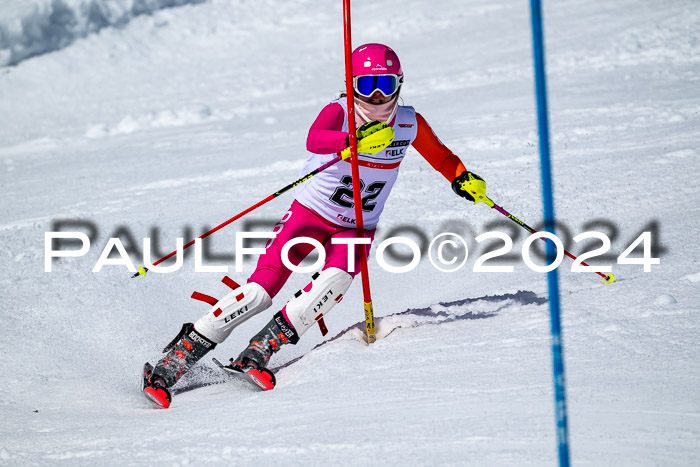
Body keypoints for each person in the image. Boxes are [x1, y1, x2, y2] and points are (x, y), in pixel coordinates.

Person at [142, 43, 489, 408]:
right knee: (261, 291)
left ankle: (260, 351)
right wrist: (350, 140)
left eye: (385, 85)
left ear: (399, 85)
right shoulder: (340, 111)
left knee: (334, 282)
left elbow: (442, 156)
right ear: (350, 83)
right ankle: (174, 360)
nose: (375, 96)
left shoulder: (408, 122)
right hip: (310, 214)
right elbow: (314, 138)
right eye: (367, 84)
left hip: (357, 228)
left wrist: (461, 177)